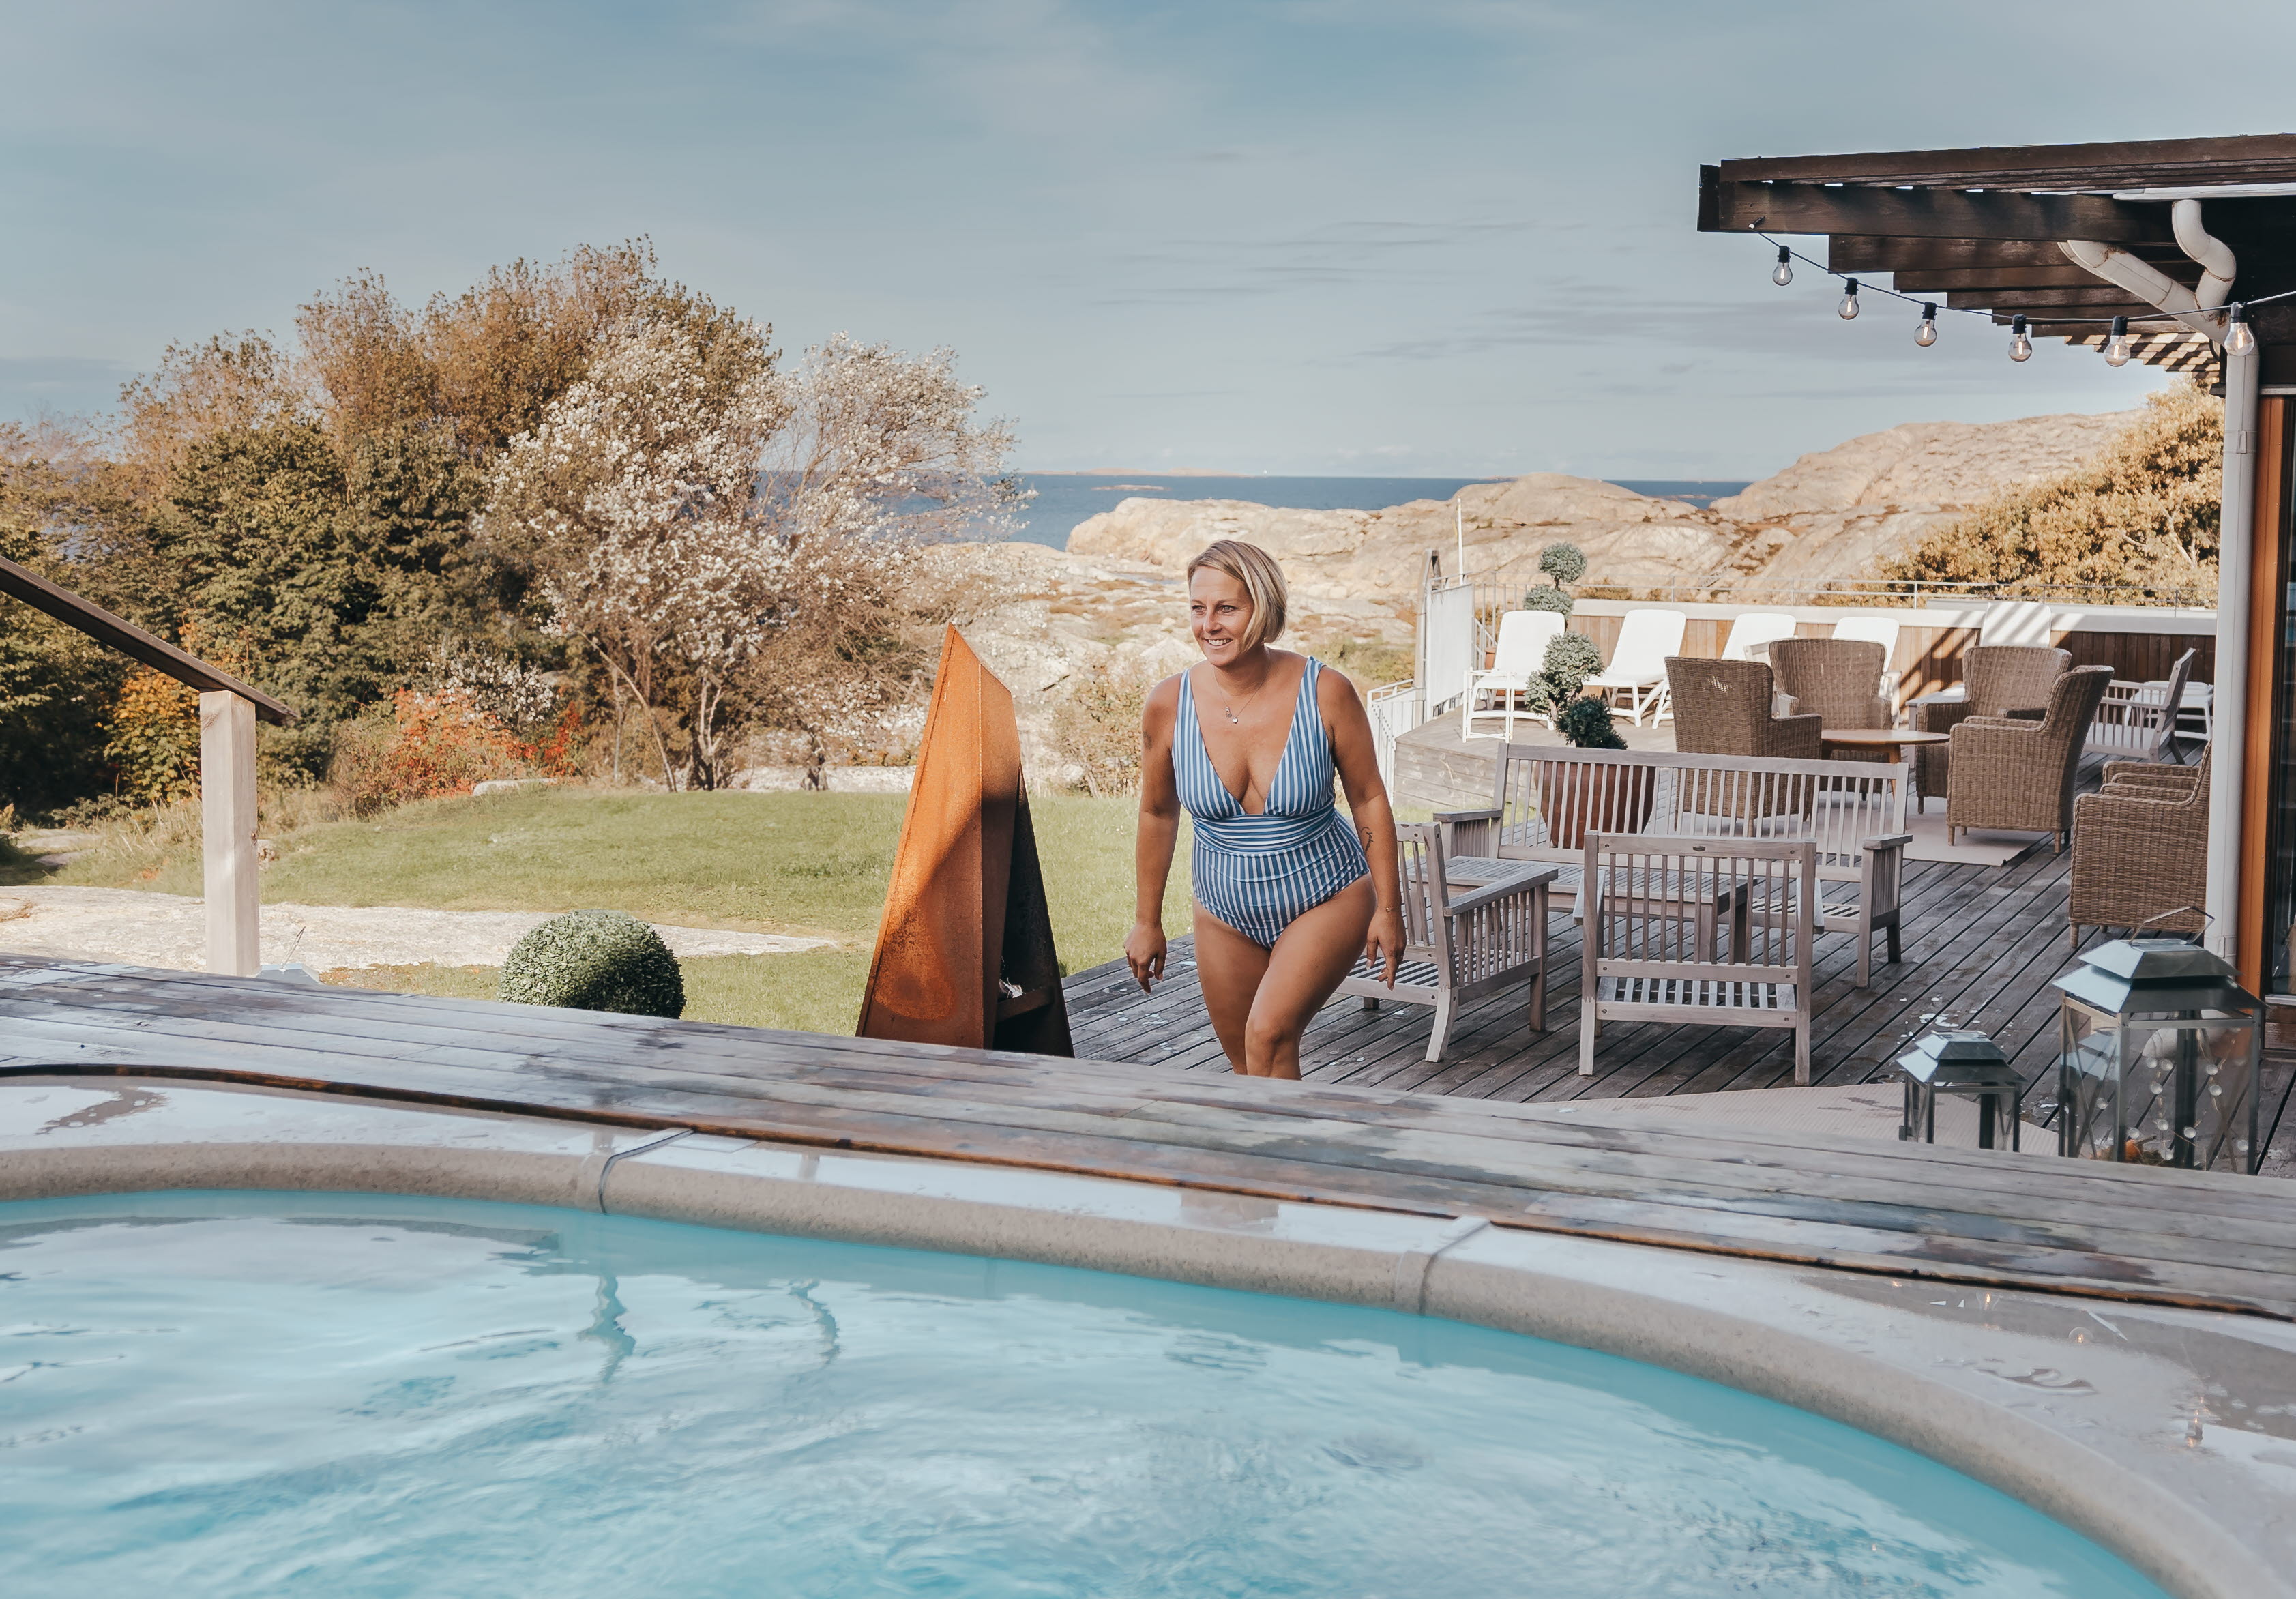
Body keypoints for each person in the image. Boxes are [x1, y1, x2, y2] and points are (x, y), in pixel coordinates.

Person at [1124, 540, 1405, 1078]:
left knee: (1269, 1036)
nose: (1209, 625)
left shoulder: (1326, 692)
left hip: (1327, 896)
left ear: (1264, 608)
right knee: (1247, 1070)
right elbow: (1157, 813)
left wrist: (1389, 911)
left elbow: (1368, 797)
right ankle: (1281, 1163)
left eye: (1227, 608)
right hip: (1223, 909)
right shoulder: (1168, 703)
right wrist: (1146, 920)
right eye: (1197, 609)